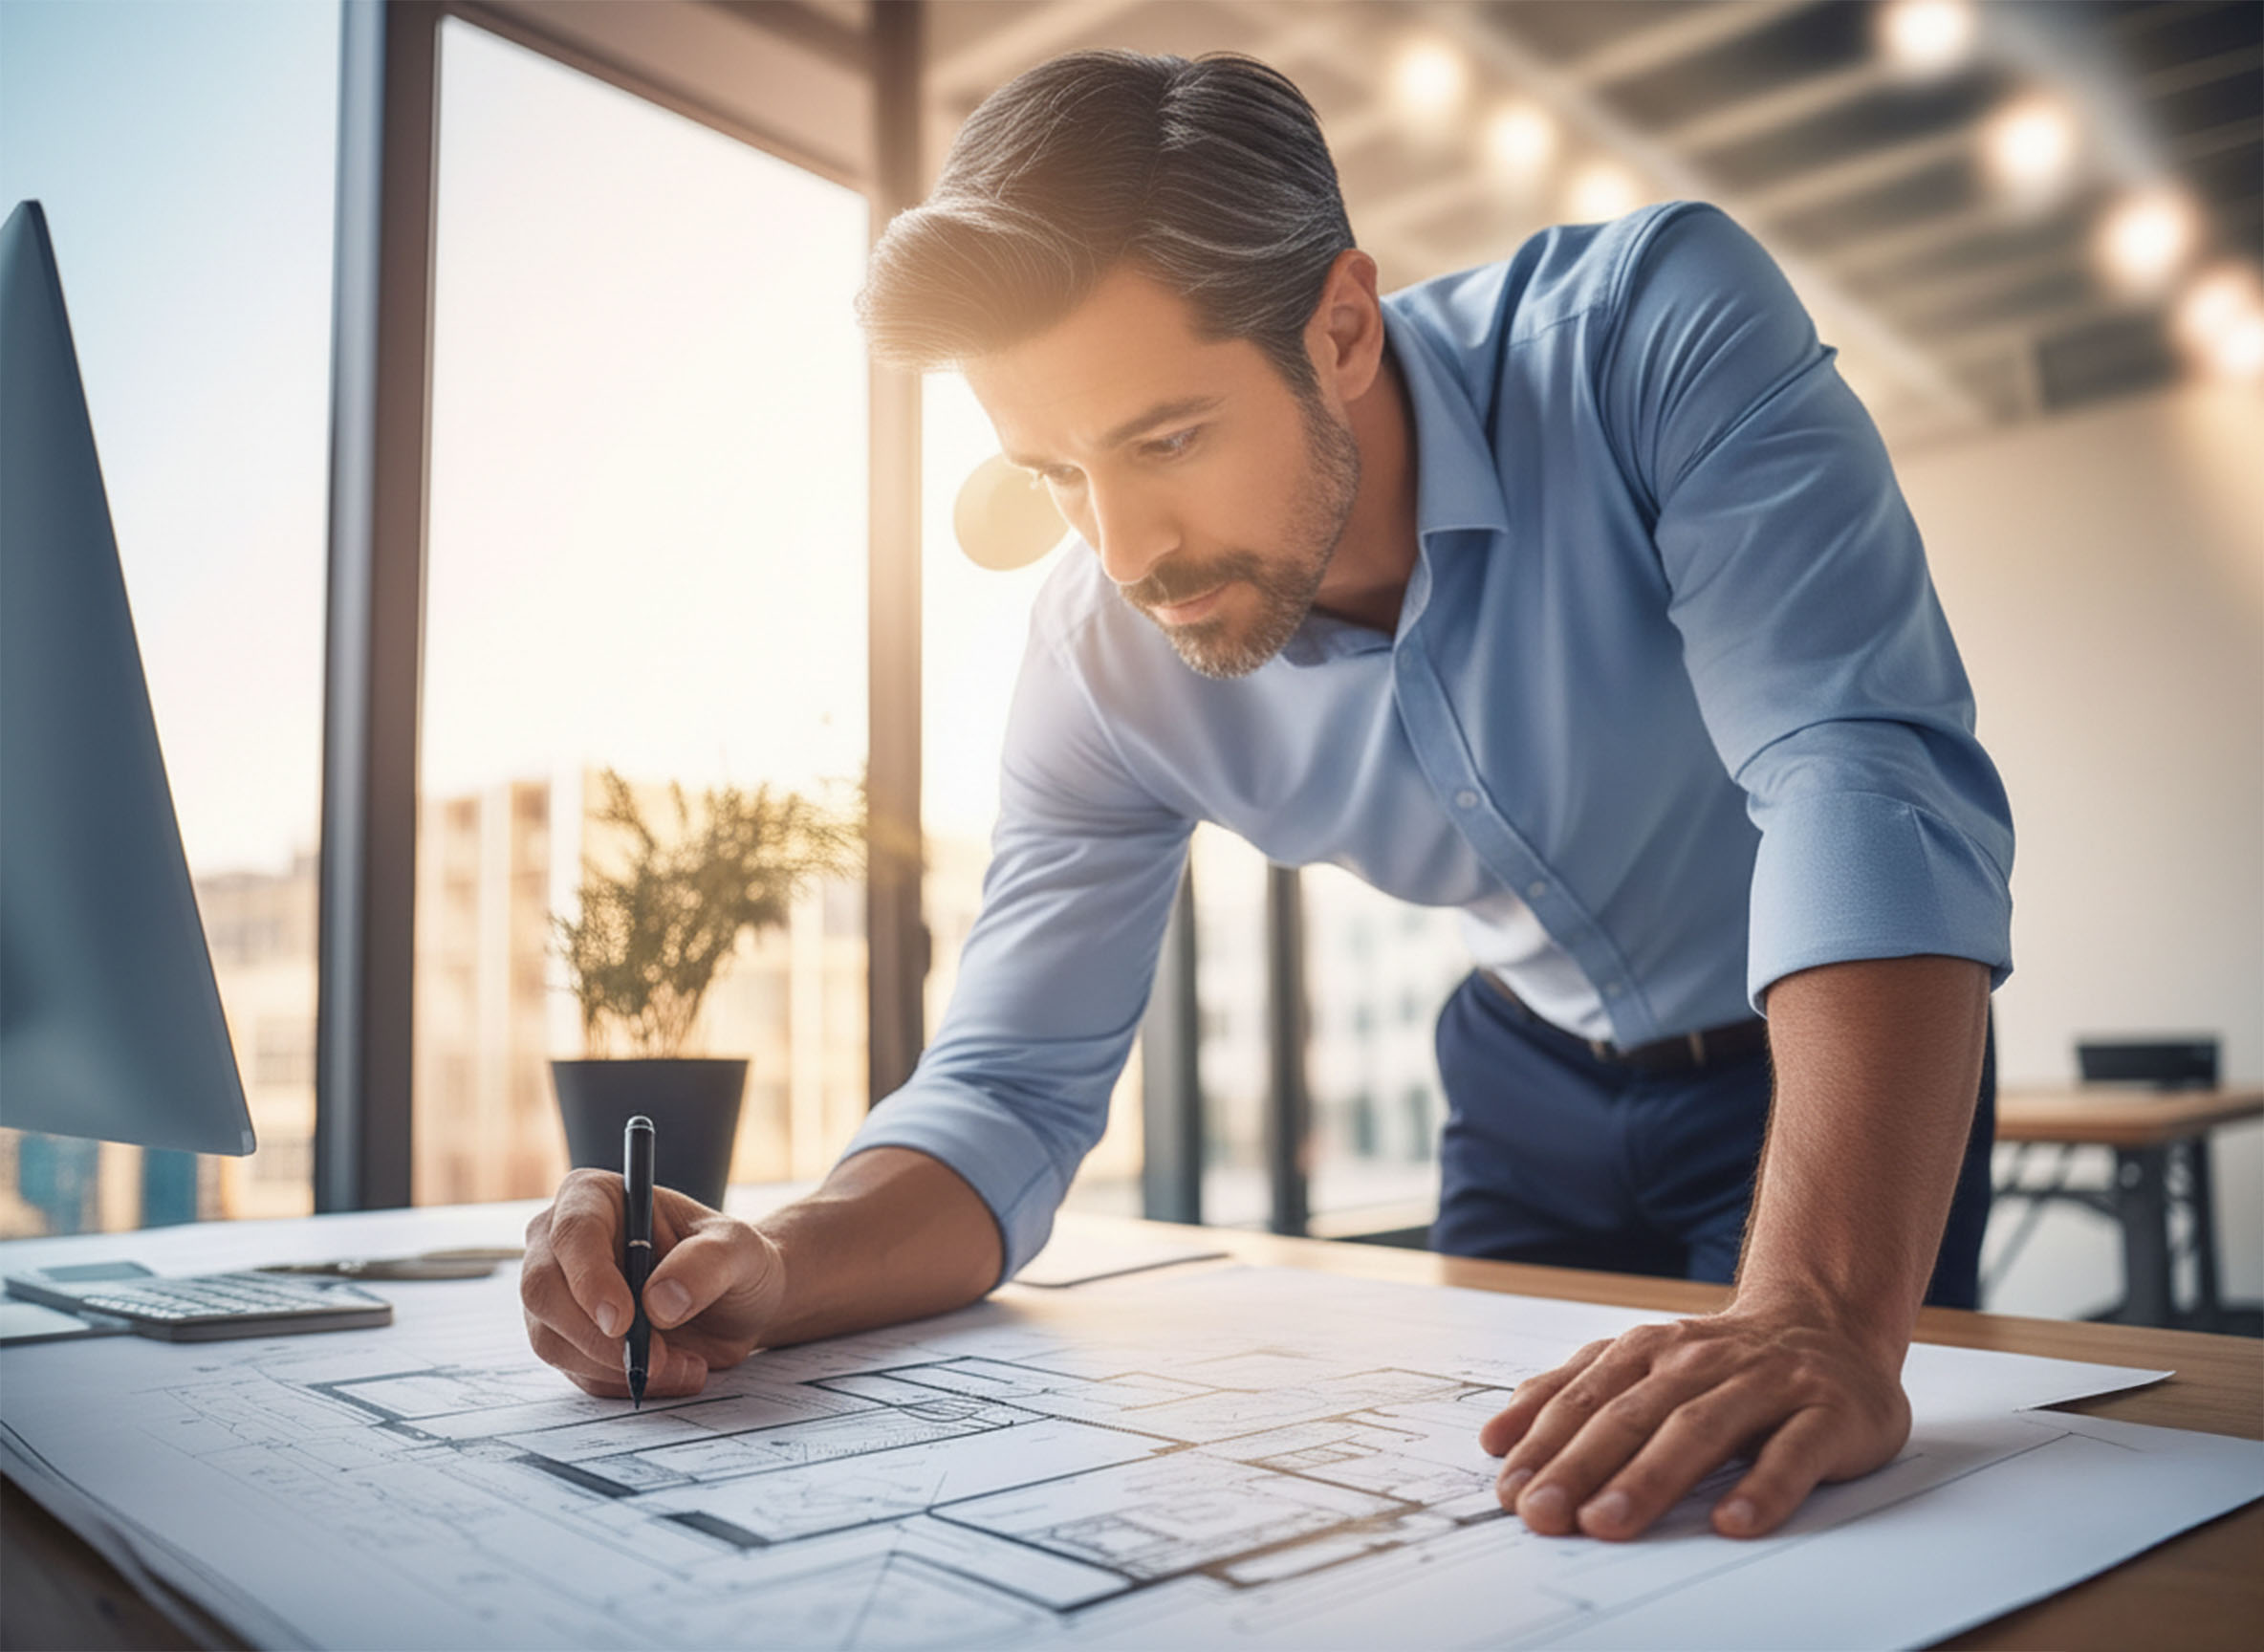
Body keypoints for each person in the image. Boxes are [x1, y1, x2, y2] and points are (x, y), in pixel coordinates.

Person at [520, 50, 2014, 1546]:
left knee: (1803, 1531)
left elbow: (1855, 768)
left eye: (1165, 440)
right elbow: (1004, 1093)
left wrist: (1818, 1306)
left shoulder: (1648, 330)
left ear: (1344, 327)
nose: (1122, 550)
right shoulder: (1097, 656)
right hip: (1525, 1077)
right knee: (1512, 1534)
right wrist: (772, 1262)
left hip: (1817, 1060)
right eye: (1055, 473)